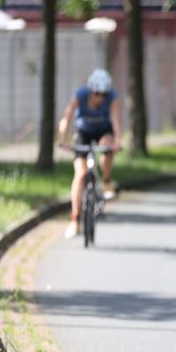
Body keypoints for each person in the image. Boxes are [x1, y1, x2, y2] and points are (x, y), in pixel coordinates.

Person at [58, 69, 122, 239]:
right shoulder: (80, 95)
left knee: (108, 149)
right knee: (80, 174)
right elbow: (66, 117)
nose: (100, 97)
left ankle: (106, 180)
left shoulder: (112, 98)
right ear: (91, 91)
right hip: (83, 133)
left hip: (103, 131)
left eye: (103, 94)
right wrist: (63, 140)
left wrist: (118, 141)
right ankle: (74, 220)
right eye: (96, 93)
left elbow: (115, 120)